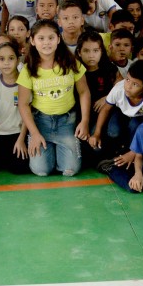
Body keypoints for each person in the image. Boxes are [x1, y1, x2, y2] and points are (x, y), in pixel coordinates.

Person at [16, 18, 90, 177]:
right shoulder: (28, 69)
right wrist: (34, 133)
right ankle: (47, 147)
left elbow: (84, 92)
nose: (46, 43)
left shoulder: (72, 63)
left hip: (67, 122)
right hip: (41, 122)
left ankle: (63, 149)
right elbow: (23, 104)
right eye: (41, 38)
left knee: (70, 170)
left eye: (51, 38)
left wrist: (84, 121)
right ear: (33, 41)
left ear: (58, 39)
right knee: (41, 170)